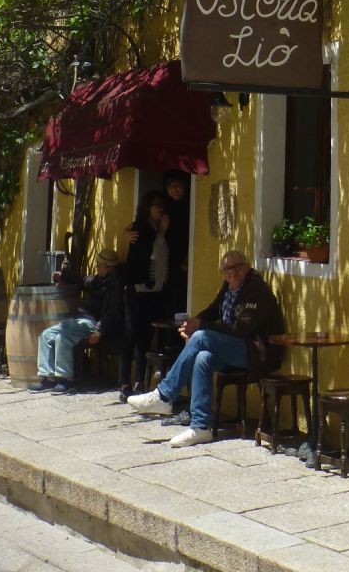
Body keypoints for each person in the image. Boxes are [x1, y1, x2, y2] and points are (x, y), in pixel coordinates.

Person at [128, 250, 285, 448]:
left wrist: (200, 326)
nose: (233, 272)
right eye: (228, 269)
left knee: (201, 337)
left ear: (247, 267)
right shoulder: (229, 288)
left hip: (256, 353)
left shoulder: (256, 290)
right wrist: (194, 321)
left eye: (238, 267)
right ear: (223, 273)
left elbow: (241, 329)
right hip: (234, 349)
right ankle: (201, 427)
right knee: (203, 357)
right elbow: (212, 310)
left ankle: (164, 395)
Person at [32, 251, 124, 392]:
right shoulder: (98, 280)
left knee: (63, 338)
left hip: (92, 323)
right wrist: (63, 275)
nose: (97, 266)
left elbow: (111, 313)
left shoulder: (114, 287)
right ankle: (46, 377)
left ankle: (66, 379)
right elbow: (82, 280)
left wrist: (99, 331)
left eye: (99, 264)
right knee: (45, 335)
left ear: (107, 266)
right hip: (79, 320)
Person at [118, 191, 171, 401]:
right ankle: (125, 383)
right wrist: (162, 234)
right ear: (147, 208)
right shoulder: (141, 229)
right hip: (139, 289)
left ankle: (139, 381)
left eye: (162, 206)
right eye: (156, 206)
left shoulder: (149, 229)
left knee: (144, 337)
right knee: (132, 335)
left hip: (152, 290)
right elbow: (152, 256)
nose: (160, 210)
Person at [162, 170, 191, 318]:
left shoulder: (190, 205)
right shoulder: (166, 207)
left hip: (186, 260)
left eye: (177, 186)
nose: (174, 190)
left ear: (185, 186)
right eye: (170, 187)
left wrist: (187, 258)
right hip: (170, 260)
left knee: (182, 298)